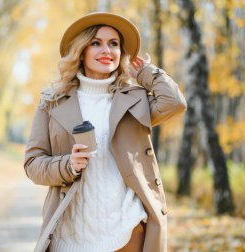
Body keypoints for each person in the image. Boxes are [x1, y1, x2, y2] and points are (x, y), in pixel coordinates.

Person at [24, 12, 187, 252]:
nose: (107, 51)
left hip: (128, 229)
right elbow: (33, 164)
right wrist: (67, 165)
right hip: (71, 233)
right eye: (96, 43)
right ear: (81, 51)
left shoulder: (134, 99)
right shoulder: (52, 101)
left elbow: (175, 103)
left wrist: (145, 72)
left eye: (114, 44)